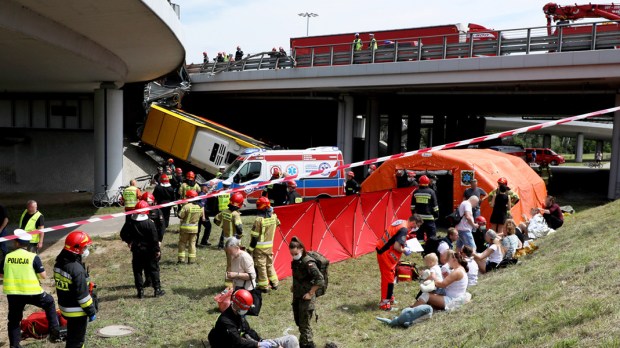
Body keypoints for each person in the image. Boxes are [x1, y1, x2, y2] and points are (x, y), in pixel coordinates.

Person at [1, 230, 61, 347]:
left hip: (14, 294)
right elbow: (43, 276)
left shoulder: (7, 257)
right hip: (33, 292)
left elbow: (1, 274)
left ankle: (14, 345)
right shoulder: (33, 257)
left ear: (16, 243)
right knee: (49, 302)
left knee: (14, 320)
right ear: (27, 244)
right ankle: (55, 332)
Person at [208, 289, 300, 348]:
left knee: (291, 339)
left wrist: (261, 340)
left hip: (248, 344)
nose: (246, 311)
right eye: (245, 308)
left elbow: (248, 331)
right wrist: (257, 344)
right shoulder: (226, 321)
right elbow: (237, 342)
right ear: (236, 305)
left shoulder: (238, 314)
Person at [53, 231, 97, 348]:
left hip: (65, 308)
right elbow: (83, 297)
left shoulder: (59, 263)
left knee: (73, 338)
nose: (86, 250)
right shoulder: (76, 269)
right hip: (77, 311)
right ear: (77, 248)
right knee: (77, 341)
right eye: (85, 247)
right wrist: (91, 311)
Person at [375, 215, 423, 310]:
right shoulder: (404, 229)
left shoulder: (401, 222)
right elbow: (397, 247)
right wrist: (405, 250)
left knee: (391, 276)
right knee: (388, 280)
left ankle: (390, 298)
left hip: (382, 249)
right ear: (413, 223)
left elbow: (394, 236)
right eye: (417, 226)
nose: (416, 228)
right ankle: (385, 304)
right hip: (386, 254)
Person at [120, 200, 165, 298]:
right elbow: (154, 238)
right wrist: (157, 250)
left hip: (136, 250)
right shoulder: (149, 223)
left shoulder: (130, 222)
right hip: (149, 250)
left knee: (137, 271)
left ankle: (140, 292)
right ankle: (157, 290)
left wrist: (129, 241)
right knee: (153, 269)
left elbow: (123, 234)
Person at [289, 236, 325, 348]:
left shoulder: (308, 262)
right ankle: (304, 342)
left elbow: (320, 279)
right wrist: (294, 286)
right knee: (299, 323)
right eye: (292, 254)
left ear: (301, 249)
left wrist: (310, 293)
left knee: (305, 325)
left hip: (306, 298)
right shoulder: (297, 262)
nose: (294, 256)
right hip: (298, 295)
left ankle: (307, 344)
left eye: (295, 253)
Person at [249, 197, 281, 292]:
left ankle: (263, 286)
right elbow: (278, 224)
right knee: (269, 264)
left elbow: (255, 237)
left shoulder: (259, 220)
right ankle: (275, 283)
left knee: (261, 266)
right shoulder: (274, 217)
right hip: (269, 247)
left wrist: (250, 249)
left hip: (259, 248)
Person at [214, 192, 245, 286]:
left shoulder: (224, 212)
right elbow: (239, 228)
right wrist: (240, 236)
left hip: (226, 241)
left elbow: (215, 220)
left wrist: (223, 226)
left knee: (229, 263)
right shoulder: (235, 214)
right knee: (236, 263)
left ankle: (228, 284)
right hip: (234, 242)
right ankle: (232, 284)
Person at [177, 190, 202, 264]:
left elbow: (180, 216)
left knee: (182, 243)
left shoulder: (186, 206)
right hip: (194, 229)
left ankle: (181, 260)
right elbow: (200, 215)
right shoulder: (198, 206)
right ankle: (191, 260)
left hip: (185, 229)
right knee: (192, 244)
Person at [411, 175, 439, 241]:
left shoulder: (416, 192)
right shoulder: (431, 192)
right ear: (428, 182)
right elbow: (435, 206)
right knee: (431, 236)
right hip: (429, 219)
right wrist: (436, 215)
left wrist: (414, 216)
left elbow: (412, 207)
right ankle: (430, 249)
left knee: (420, 235)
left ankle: (421, 249)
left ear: (419, 182)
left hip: (419, 218)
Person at [196, 183, 214, 247]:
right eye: (207, 188)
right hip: (201, 214)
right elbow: (202, 206)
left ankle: (202, 241)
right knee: (205, 227)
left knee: (203, 227)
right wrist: (203, 216)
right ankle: (201, 242)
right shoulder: (202, 195)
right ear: (204, 188)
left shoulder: (202, 194)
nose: (208, 189)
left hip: (201, 214)